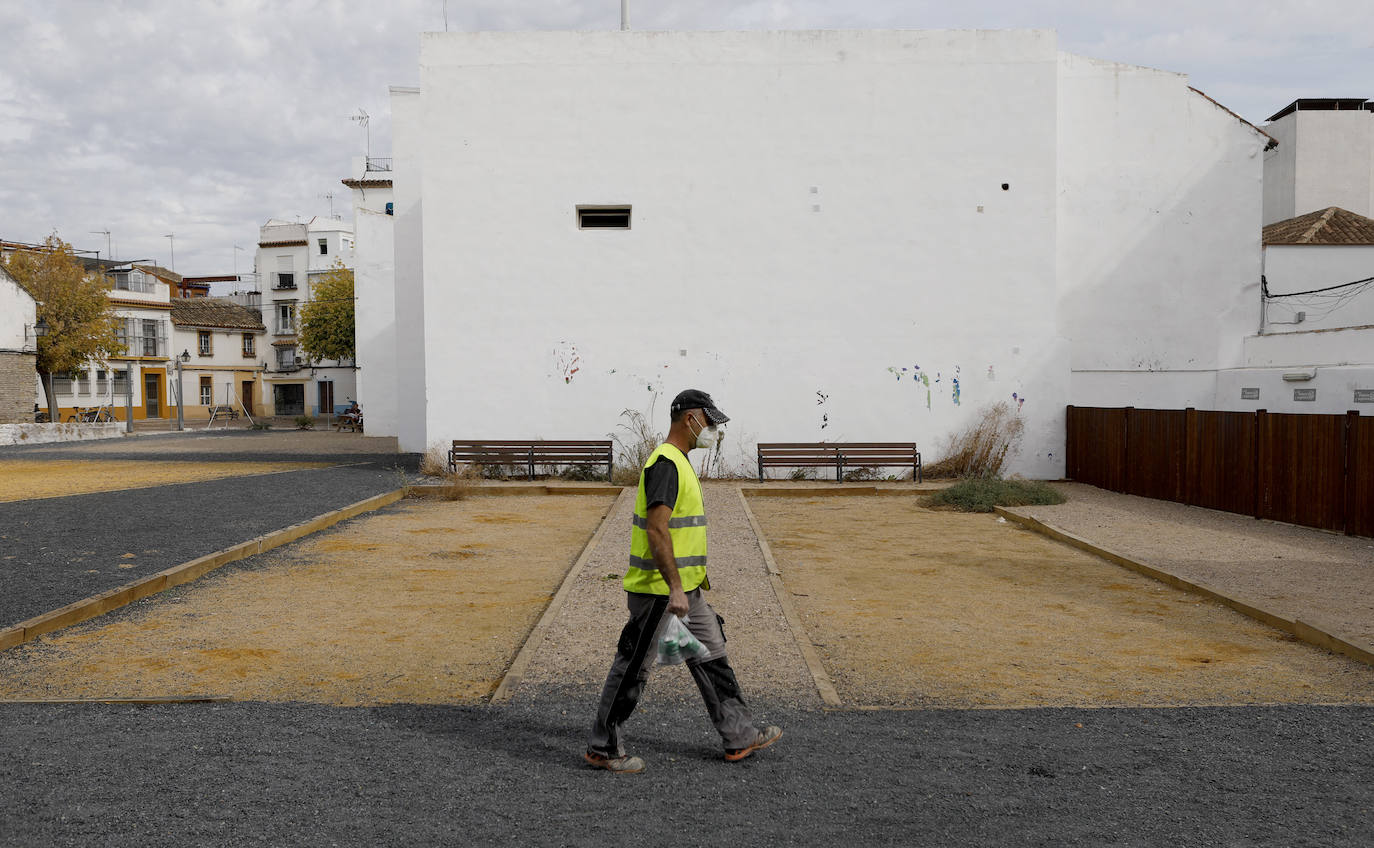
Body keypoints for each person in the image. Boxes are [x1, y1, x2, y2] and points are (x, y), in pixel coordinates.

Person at [585, 389, 782, 774]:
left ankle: (739, 736)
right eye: (710, 421)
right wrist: (674, 587)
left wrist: (685, 586)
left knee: (713, 657)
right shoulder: (665, 464)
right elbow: (658, 531)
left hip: (686, 590)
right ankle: (602, 747)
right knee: (632, 669)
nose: (713, 429)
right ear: (691, 418)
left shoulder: (679, 461)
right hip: (659, 592)